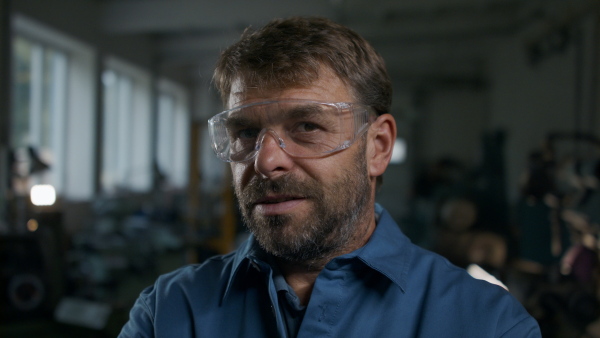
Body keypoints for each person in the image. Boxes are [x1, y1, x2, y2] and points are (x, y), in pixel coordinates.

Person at [119, 17, 541, 337]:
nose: (266, 161)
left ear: (377, 147)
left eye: (307, 127)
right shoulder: (169, 312)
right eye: (246, 132)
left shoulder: (486, 324)